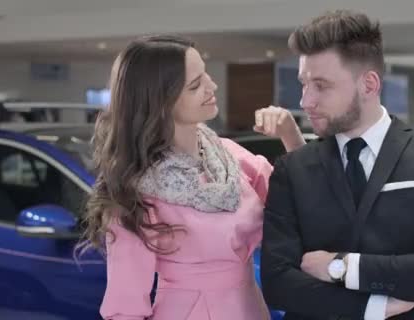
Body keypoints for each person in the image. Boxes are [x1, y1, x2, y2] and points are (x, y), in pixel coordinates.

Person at [260, 10, 414, 320]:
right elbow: (279, 284)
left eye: (321, 86)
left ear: (369, 85)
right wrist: (380, 305)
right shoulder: (293, 169)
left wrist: (340, 266)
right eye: (303, 84)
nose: (306, 102)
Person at [79, 35, 305, 320]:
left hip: (250, 306)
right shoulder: (136, 191)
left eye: (206, 75)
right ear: (160, 101)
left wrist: (290, 135)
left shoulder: (230, 156)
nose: (212, 86)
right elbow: (125, 309)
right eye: (195, 85)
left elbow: (303, 202)